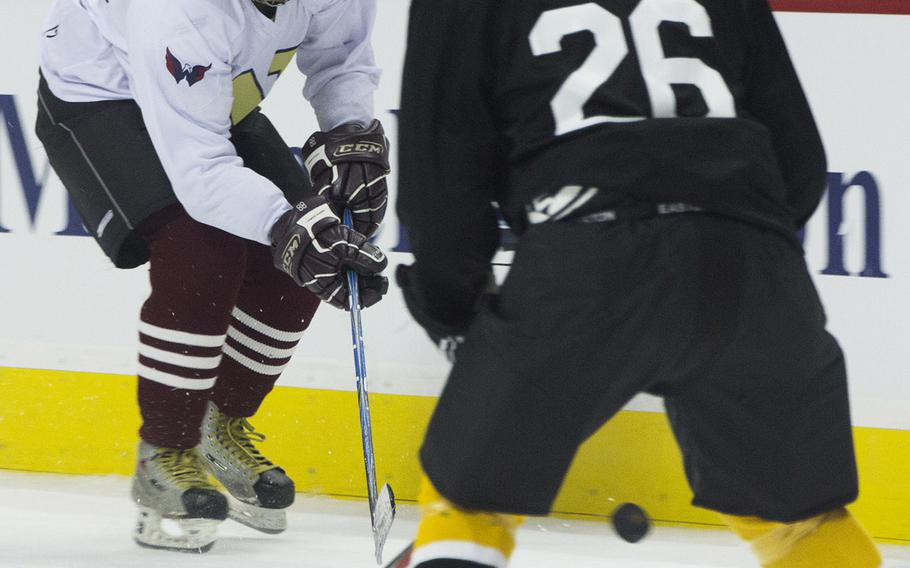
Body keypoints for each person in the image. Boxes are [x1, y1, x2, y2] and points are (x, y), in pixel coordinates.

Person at [395, 0, 882, 567]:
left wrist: (452, 312)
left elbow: (443, 185)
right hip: (752, 263)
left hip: (586, 259)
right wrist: (733, 247)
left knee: (470, 501)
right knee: (800, 522)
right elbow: (798, 157)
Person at [35, 0, 390, 553]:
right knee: (203, 247)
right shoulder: (182, 11)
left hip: (210, 97)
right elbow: (201, 177)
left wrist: (351, 135)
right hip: (103, 88)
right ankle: (165, 452)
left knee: (299, 262)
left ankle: (217, 427)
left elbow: (341, 56)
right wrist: (288, 225)